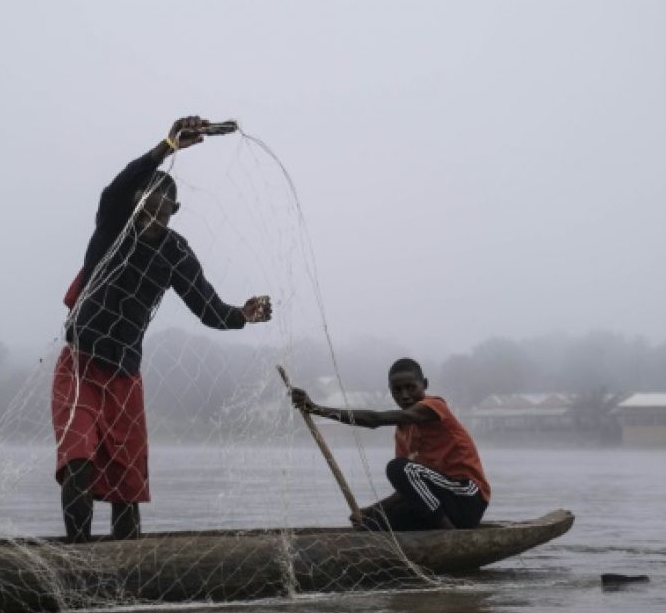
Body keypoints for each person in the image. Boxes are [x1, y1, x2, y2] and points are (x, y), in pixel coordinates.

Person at [52, 116, 273, 543]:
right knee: (78, 462)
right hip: (79, 367)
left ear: (174, 212)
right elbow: (114, 191)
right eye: (144, 206)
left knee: (127, 483)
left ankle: (126, 565)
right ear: (133, 205)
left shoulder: (175, 252)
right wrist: (167, 146)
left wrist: (242, 314)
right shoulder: (113, 228)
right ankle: (76, 561)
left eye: (160, 210)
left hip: (125, 376)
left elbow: (208, 309)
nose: (151, 216)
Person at [290, 358, 490, 531]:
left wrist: (316, 409)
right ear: (390, 391)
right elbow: (410, 488)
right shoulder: (403, 432)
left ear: (425, 384)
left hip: (467, 499)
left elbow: (375, 420)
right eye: (397, 390)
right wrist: (370, 511)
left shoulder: (433, 407)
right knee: (372, 525)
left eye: (411, 387)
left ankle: (449, 535)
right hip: (441, 504)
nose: (404, 395)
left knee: (397, 468)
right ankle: (438, 531)